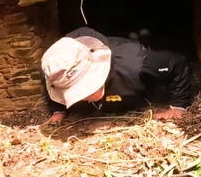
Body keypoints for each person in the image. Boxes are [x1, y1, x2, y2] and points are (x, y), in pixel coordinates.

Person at [42, 27, 191, 124]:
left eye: (83, 87)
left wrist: (178, 104)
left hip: (136, 91)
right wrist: (58, 110)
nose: (81, 96)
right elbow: (53, 84)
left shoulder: (137, 64)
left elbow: (177, 63)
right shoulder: (55, 67)